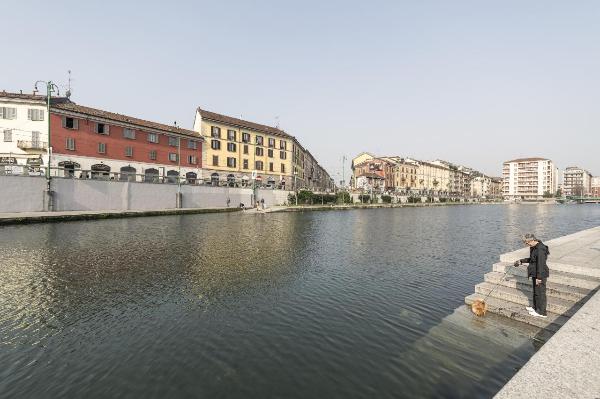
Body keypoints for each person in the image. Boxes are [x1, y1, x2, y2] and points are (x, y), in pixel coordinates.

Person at [514, 233, 550, 318]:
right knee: (536, 292)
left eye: (527, 243)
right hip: (535, 272)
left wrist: (539, 278)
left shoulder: (540, 249)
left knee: (540, 293)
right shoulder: (534, 247)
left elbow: (541, 264)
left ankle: (541, 312)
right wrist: (521, 261)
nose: (527, 244)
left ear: (533, 240)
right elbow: (532, 259)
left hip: (540, 274)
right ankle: (535, 308)